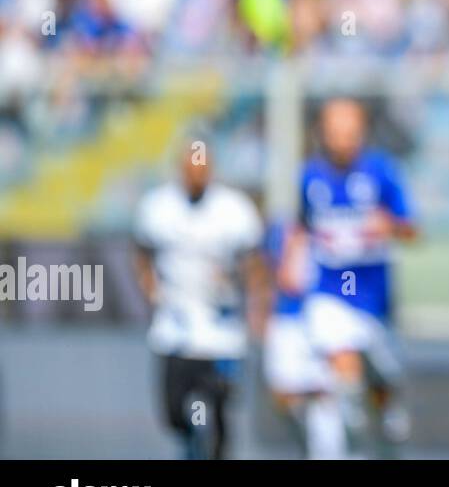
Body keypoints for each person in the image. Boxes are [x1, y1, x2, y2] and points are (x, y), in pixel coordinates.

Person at [289, 98, 417, 457]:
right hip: (329, 294)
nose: (343, 140)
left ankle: (382, 408)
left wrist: (388, 224)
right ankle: (350, 423)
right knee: (341, 365)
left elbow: (413, 230)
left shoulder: (382, 172)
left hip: (375, 301)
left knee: (383, 381)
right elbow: (302, 225)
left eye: (350, 133)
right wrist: (291, 260)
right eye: (335, 133)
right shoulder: (310, 175)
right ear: (323, 134)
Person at [134, 134, 266, 459]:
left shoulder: (234, 210)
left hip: (220, 330)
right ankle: (192, 444)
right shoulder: (158, 207)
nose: (196, 175)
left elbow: (255, 264)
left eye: (202, 167)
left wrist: (249, 296)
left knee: (216, 403)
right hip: (175, 328)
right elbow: (142, 253)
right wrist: (150, 287)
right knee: (176, 412)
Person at [262, 218, 336, 457]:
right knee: (283, 394)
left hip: (320, 320)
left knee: (324, 391)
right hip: (287, 320)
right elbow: (273, 274)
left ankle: (329, 452)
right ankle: (309, 443)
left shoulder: (332, 230)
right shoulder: (280, 229)